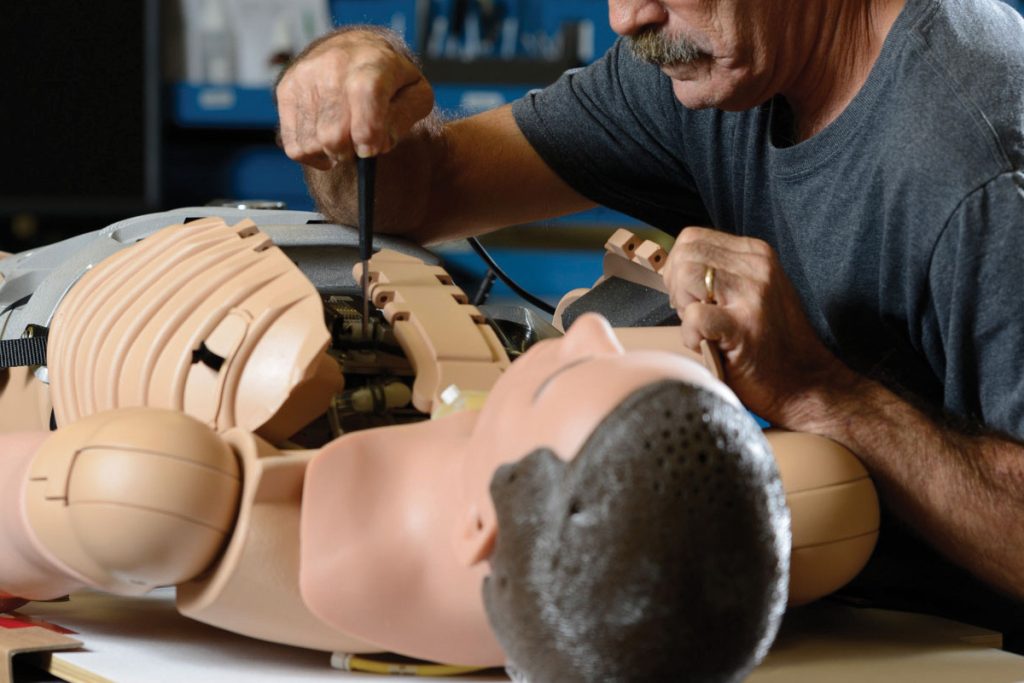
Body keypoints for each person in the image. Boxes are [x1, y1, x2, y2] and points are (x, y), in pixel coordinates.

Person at [275, 0, 1024, 644]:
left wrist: (822, 393)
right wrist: (354, 104)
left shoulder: (977, 156)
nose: (628, 17)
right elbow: (429, 189)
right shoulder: (713, 62)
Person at [0, 217, 877, 681]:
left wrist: (58, 508)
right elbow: (824, 495)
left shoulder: (176, 494)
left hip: (74, 312)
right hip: (338, 257)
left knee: (137, 484)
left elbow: (70, 498)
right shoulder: (694, 541)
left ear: (479, 527)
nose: (591, 337)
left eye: (556, 380)